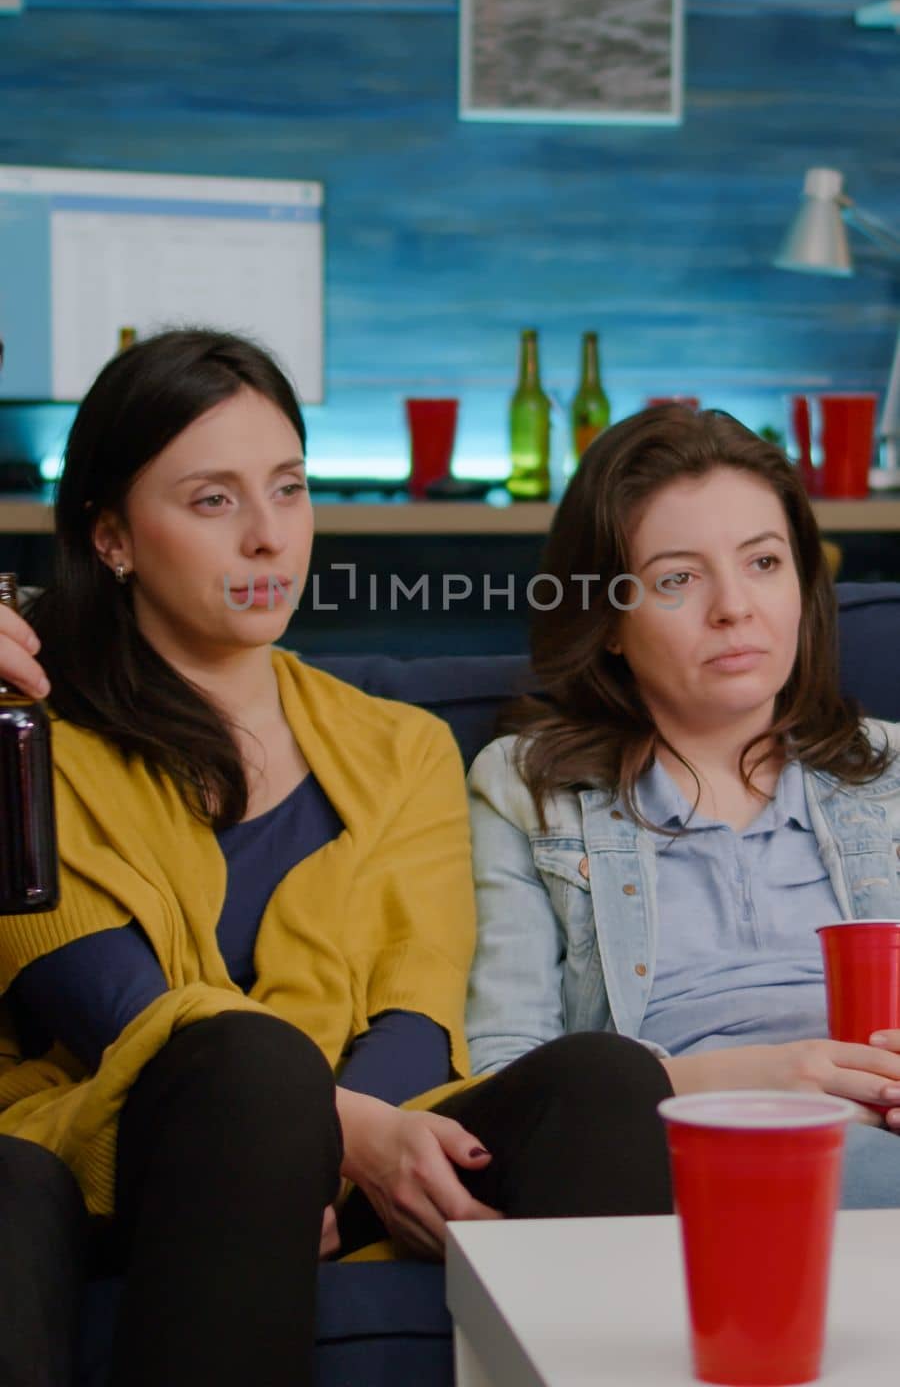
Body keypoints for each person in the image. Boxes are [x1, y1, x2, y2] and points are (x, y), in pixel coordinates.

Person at [0, 328, 676, 1387]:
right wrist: (320, 1135)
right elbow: (114, 1008)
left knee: (606, 1082)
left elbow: (418, 1008)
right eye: (213, 500)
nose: (271, 537)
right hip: (130, 1146)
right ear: (112, 537)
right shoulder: (29, 738)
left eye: (288, 488)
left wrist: (347, 1139)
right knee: (246, 1064)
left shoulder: (398, 744)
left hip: (367, 1137)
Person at [466, 403, 900, 1208]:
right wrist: (756, 1080)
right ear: (611, 622)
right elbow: (508, 1087)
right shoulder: (530, 791)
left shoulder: (892, 772)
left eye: (763, 563)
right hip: (673, 1159)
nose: (733, 607)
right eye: (677, 579)